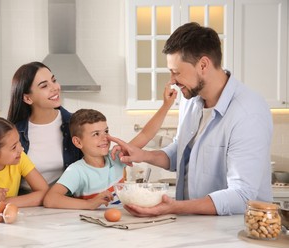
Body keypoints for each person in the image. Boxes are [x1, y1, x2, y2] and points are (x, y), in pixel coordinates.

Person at [109, 22, 273, 216]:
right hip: (193, 226)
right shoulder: (191, 100)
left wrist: (174, 207)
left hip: (232, 233)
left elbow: (242, 196)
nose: (171, 81)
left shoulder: (248, 113)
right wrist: (143, 155)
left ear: (203, 65)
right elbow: (182, 151)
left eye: (176, 72)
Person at [7, 62, 83, 194]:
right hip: (26, 203)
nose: (55, 88)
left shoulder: (75, 124)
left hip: (65, 202)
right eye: (44, 86)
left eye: (54, 80)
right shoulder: (13, 132)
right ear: (27, 98)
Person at [43, 109, 126, 210]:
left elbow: (144, 136)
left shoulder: (115, 156)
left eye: (106, 131)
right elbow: (50, 199)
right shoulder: (76, 171)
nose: (105, 138)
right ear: (78, 142)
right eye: (96, 134)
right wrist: (89, 204)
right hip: (92, 223)